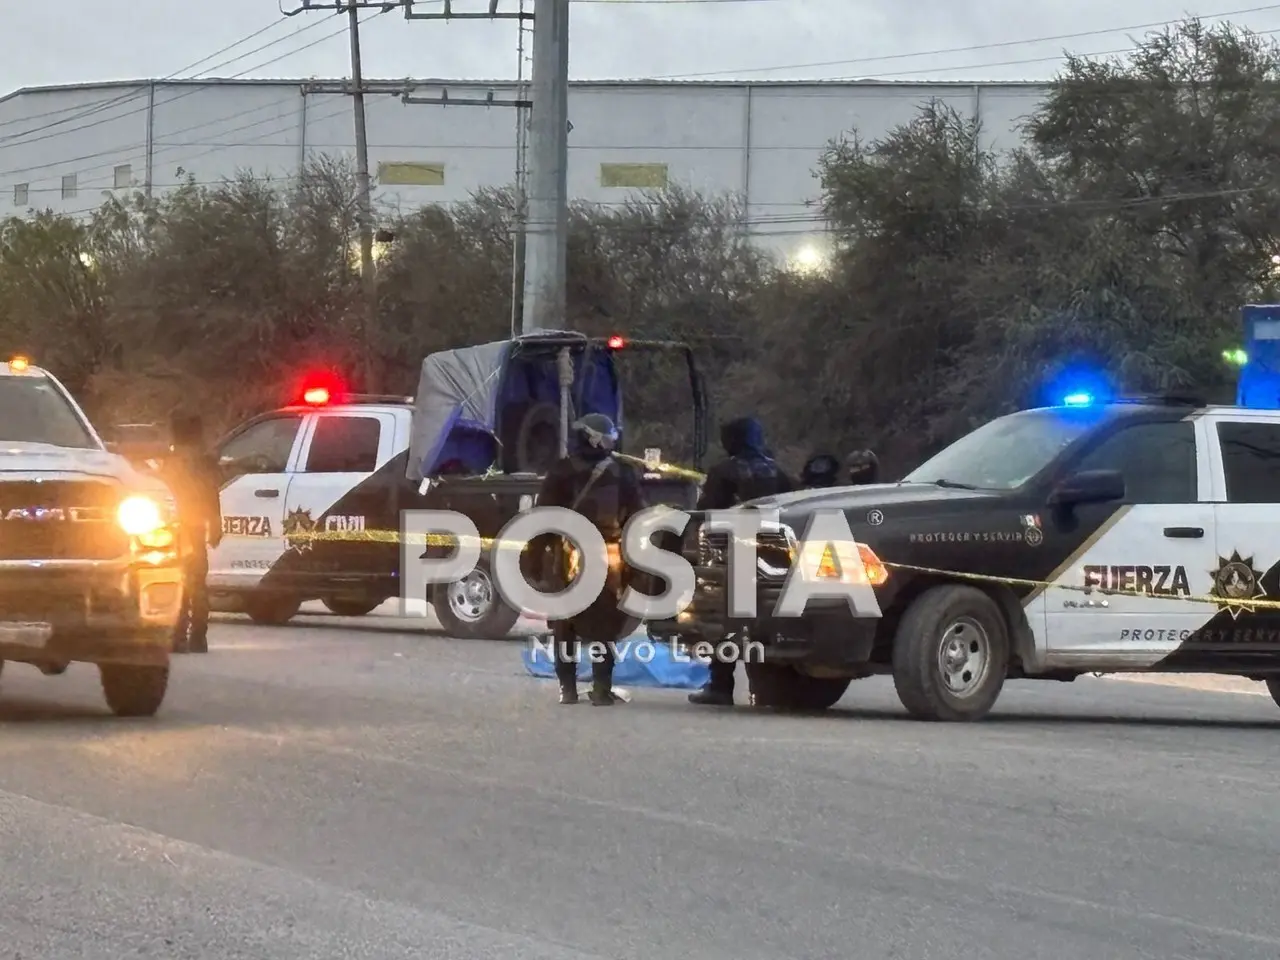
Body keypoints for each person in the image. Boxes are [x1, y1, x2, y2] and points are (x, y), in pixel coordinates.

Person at [537, 413, 646, 706]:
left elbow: (543, 517)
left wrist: (537, 558)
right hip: (608, 557)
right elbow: (637, 516)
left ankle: (568, 690)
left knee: (564, 626)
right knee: (605, 625)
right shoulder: (623, 472)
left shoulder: (562, 470)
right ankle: (600, 689)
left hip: (566, 556)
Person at [688, 416, 794, 707]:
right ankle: (765, 688)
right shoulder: (777, 470)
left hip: (734, 554)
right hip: (777, 558)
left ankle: (721, 686)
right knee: (768, 621)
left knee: (727, 622)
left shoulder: (724, 471)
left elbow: (706, 512)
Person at [162, 412, 223, 654]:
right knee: (197, 583)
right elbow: (212, 494)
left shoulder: (170, 461)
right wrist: (215, 524)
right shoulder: (206, 461)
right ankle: (199, 636)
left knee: (178, 580)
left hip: (175, 528)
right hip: (196, 527)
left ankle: (178, 635)